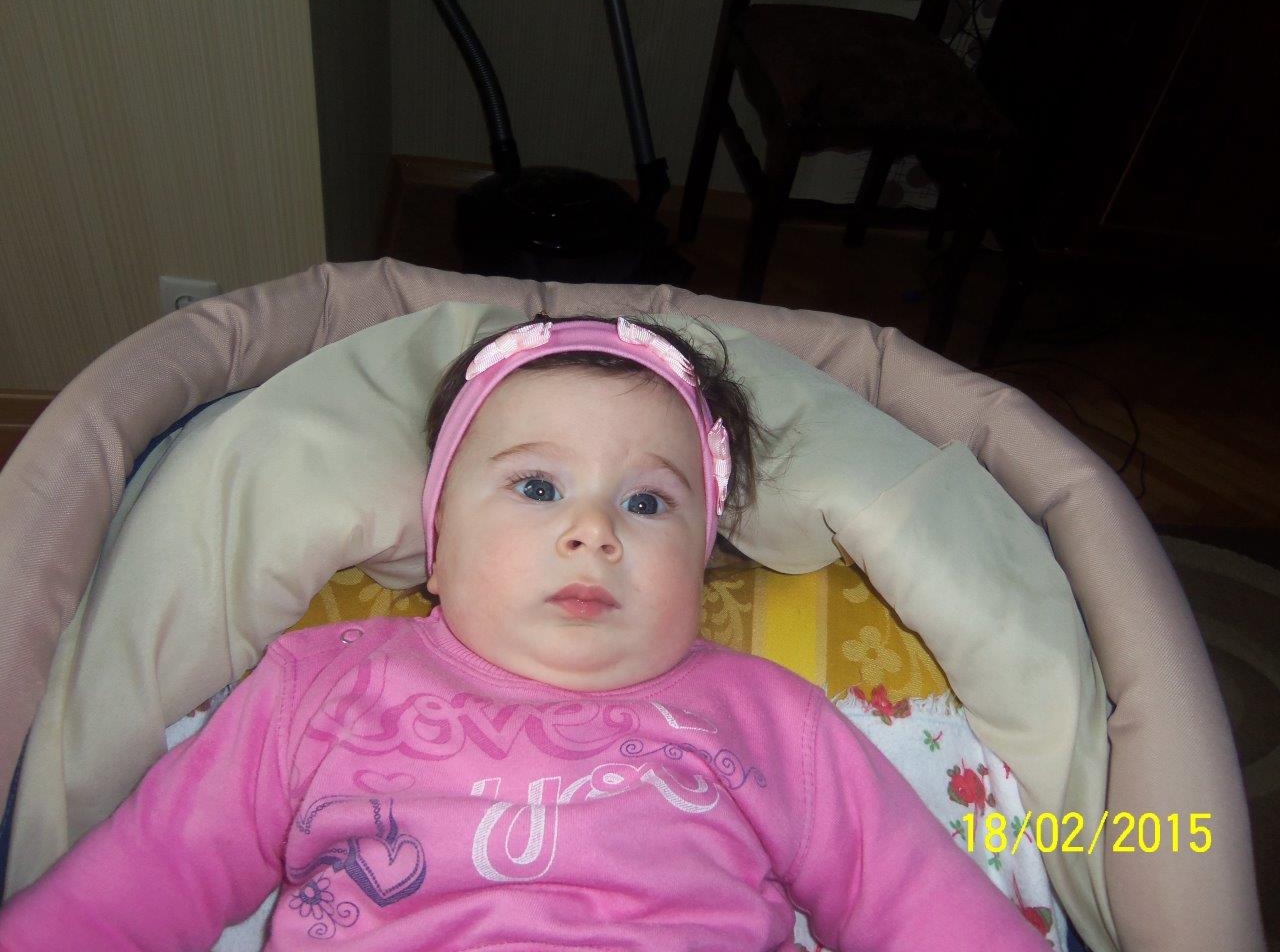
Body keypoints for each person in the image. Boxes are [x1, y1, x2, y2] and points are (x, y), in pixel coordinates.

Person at [0, 314, 1052, 950]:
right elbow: (143, 882)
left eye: (648, 503)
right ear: (439, 541)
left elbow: (914, 898)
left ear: (701, 568)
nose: (593, 531)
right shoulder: (314, 687)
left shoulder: (770, 720)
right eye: (538, 487)